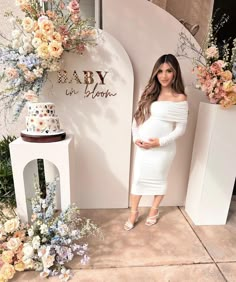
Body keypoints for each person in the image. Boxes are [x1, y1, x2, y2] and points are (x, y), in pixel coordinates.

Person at [124, 54, 188, 231]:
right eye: (160, 71)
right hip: (143, 148)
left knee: (159, 180)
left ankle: (154, 210)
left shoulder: (180, 98)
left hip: (163, 150)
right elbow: (136, 120)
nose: (164, 75)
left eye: (169, 71)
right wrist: (136, 138)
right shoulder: (150, 93)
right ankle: (133, 213)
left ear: (175, 73)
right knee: (138, 180)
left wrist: (159, 142)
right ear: (155, 73)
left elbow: (180, 130)